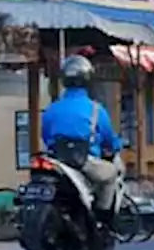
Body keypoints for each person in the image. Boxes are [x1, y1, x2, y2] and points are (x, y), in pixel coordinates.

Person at [40, 55, 123, 221]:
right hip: (85, 161)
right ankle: (102, 219)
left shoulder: (52, 109)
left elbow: (46, 136)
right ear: (88, 79)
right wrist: (116, 145)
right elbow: (108, 139)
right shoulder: (96, 110)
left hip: (58, 161)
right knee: (111, 175)